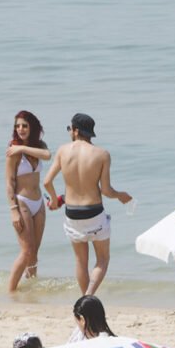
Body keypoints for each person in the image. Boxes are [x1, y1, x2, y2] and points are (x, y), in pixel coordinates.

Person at [44, 113, 134, 296]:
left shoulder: (62, 151)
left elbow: (46, 182)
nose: (69, 132)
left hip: (72, 213)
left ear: (76, 131)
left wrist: (53, 200)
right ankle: (89, 296)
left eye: (70, 129)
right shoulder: (102, 154)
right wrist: (121, 196)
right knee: (102, 260)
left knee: (80, 261)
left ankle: (84, 300)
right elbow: (106, 191)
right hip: (93, 212)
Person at [5, 111, 51, 293]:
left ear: (32, 127)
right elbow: (9, 182)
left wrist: (23, 148)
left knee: (34, 252)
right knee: (26, 252)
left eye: (24, 125)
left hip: (38, 203)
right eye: (17, 126)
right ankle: (11, 291)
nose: (21, 129)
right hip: (22, 202)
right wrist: (13, 210)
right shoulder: (12, 151)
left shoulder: (37, 147)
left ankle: (31, 286)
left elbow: (47, 155)